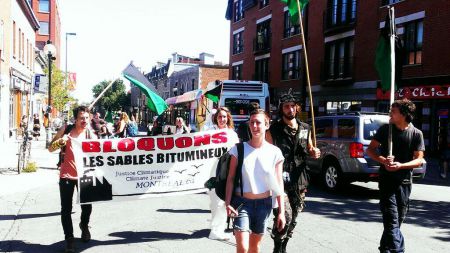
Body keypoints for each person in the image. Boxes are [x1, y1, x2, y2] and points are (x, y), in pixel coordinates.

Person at [366, 99, 425, 253]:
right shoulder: (386, 130)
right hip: (386, 181)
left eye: (393, 111)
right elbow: (370, 150)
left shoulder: (416, 134)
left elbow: (419, 160)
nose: (390, 113)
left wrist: (400, 165)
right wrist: (383, 160)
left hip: (404, 182)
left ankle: (385, 249)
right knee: (392, 220)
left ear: (404, 114)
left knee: (396, 222)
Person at [266, 94, 321, 253]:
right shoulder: (274, 129)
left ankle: (283, 246)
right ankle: (277, 246)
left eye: (292, 106)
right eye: (286, 106)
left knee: (294, 217)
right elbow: (267, 153)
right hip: (281, 178)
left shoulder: (305, 128)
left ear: (297, 107)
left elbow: (309, 148)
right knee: (284, 216)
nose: (290, 109)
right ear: (281, 108)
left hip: (300, 178)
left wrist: (314, 152)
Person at [225, 109, 286, 253]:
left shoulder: (275, 152)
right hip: (242, 204)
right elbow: (231, 178)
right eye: (251, 122)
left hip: (264, 205)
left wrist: (281, 212)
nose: (254, 126)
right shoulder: (238, 149)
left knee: (254, 248)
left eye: (258, 122)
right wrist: (228, 203)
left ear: (266, 125)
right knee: (243, 247)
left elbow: (279, 183)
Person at [48, 106, 98, 253]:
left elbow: (100, 154)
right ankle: (69, 240)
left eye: (87, 118)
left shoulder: (91, 134)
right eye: (81, 118)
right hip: (66, 176)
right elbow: (50, 148)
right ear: (75, 119)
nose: (84, 121)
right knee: (66, 209)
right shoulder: (66, 130)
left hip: (85, 175)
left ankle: (84, 225)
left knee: (87, 206)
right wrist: (60, 142)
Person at [207, 107, 236, 241]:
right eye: (220, 117)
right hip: (212, 173)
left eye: (224, 117)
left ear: (228, 118)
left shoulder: (232, 134)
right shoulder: (210, 133)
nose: (222, 119)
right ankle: (215, 231)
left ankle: (218, 229)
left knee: (224, 202)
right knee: (215, 202)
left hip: (226, 172)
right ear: (216, 118)